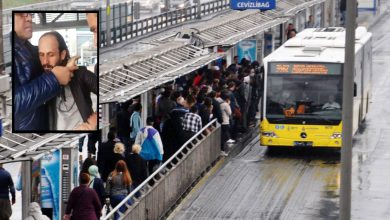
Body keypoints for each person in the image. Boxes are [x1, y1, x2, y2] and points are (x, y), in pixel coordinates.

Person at [13, 12, 76, 130]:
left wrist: (66, 65)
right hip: (26, 138)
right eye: (22, 14)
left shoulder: (30, 50)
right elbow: (12, 103)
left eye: (30, 14)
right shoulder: (8, 55)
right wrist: (54, 78)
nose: (29, 18)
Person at [38, 31, 97, 130]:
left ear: (62, 54)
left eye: (51, 55)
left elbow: (108, 92)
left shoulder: (80, 74)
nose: (45, 62)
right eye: (41, 55)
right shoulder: (41, 80)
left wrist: (92, 122)